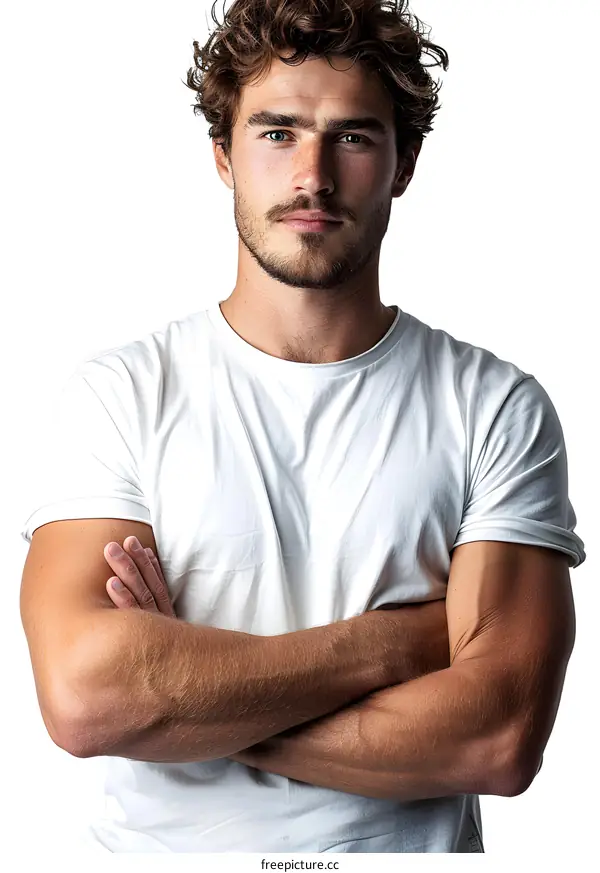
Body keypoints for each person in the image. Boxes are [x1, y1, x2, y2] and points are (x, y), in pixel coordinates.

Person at [19, 0, 585, 855]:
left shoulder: (494, 406)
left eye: (353, 138)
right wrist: (402, 643)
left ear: (404, 164)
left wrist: (184, 709)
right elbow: (87, 699)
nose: (312, 176)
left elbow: (498, 738)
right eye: (278, 133)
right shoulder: (121, 395)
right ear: (224, 155)